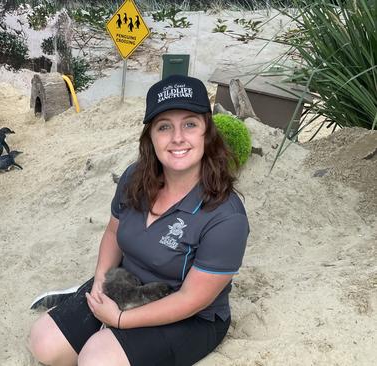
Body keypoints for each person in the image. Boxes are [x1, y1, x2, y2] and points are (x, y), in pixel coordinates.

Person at [28, 74, 250, 366]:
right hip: (127, 283)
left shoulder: (225, 216)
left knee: (96, 360)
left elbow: (192, 299)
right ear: (151, 137)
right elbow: (111, 234)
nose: (177, 137)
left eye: (190, 124)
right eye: (164, 127)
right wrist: (100, 281)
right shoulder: (135, 177)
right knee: (44, 344)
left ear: (207, 133)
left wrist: (121, 319)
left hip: (190, 313)